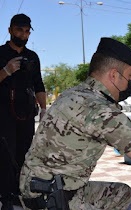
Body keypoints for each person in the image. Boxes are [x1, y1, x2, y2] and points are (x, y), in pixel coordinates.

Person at [19, 37, 131, 210]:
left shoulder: (76, 93)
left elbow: (121, 135)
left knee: (120, 193)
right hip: (52, 199)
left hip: (39, 188)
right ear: (114, 75)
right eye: (129, 77)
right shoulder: (100, 109)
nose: (130, 82)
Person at [0, 14, 46, 209]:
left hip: (27, 115)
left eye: (27, 31)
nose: (23, 35)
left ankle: (23, 191)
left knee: (26, 153)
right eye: (19, 30)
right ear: (10, 30)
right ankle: (6, 195)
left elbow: (39, 84)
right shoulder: (0, 53)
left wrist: (44, 108)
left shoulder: (32, 57)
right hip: (3, 115)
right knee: (5, 154)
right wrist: (6, 71)